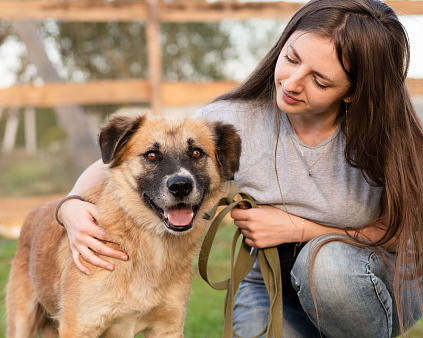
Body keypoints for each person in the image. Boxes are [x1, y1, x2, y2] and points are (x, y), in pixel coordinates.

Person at [59, 0, 423, 336]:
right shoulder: (235, 120)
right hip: (273, 277)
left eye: (319, 80)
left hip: (374, 277)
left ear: (353, 91)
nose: (292, 83)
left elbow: (403, 234)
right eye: (292, 59)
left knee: (327, 265)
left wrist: (298, 228)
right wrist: (71, 207)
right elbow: (123, 159)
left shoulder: (389, 137)